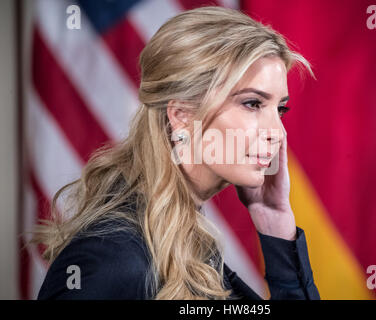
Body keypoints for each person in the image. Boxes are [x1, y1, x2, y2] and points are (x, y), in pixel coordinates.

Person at [31, 6, 320, 300]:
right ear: (181, 115)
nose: (278, 133)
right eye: (252, 104)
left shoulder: (182, 242)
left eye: (280, 109)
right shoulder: (112, 258)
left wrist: (274, 220)